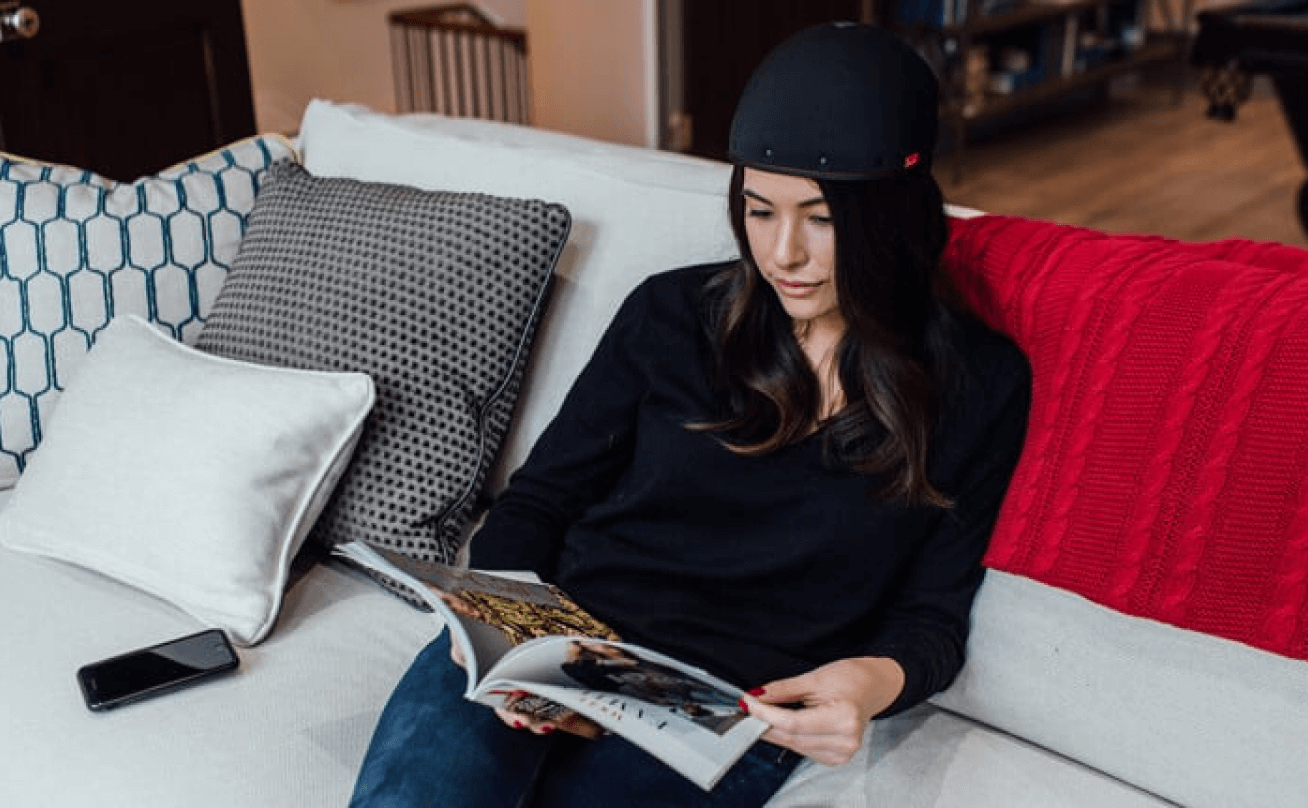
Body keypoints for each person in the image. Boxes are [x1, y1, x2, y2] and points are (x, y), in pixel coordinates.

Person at [349, 21, 1030, 808]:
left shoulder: (977, 385)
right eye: (759, 210)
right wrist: (506, 631)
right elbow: (538, 500)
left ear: (895, 215)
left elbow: (932, 616)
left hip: (720, 709)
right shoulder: (670, 315)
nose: (783, 254)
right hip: (557, 641)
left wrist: (870, 686)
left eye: (821, 218)